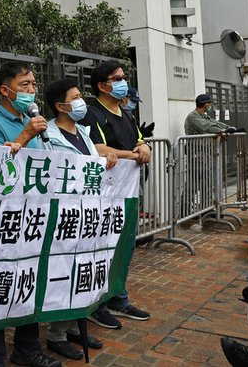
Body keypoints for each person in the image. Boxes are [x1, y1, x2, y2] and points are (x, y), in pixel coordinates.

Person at [0, 62, 60, 367]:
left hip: (31, 216)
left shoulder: (34, 121)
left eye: (34, 85)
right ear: (5, 90)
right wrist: (24, 136)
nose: (31, 90)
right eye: (24, 85)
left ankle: (27, 349)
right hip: (2, 219)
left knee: (27, 281)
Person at [42, 78, 116, 361]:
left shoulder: (82, 132)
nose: (80, 101)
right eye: (74, 97)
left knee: (82, 273)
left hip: (87, 215)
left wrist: (106, 159)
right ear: (60, 106)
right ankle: (56, 334)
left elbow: (93, 159)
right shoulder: (47, 135)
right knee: (63, 275)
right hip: (64, 217)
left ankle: (73, 326)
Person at [80, 60, 151, 330]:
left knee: (124, 246)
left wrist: (144, 148)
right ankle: (97, 304)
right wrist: (134, 155)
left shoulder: (126, 113)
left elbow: (138, 140)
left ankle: (118, 298)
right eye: (117, 78)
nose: (123, 82)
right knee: (102, 247)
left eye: (123, 77)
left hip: (128, 192)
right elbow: (96, 148)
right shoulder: (92, 113)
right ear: (102, 85)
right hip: (103, 194)